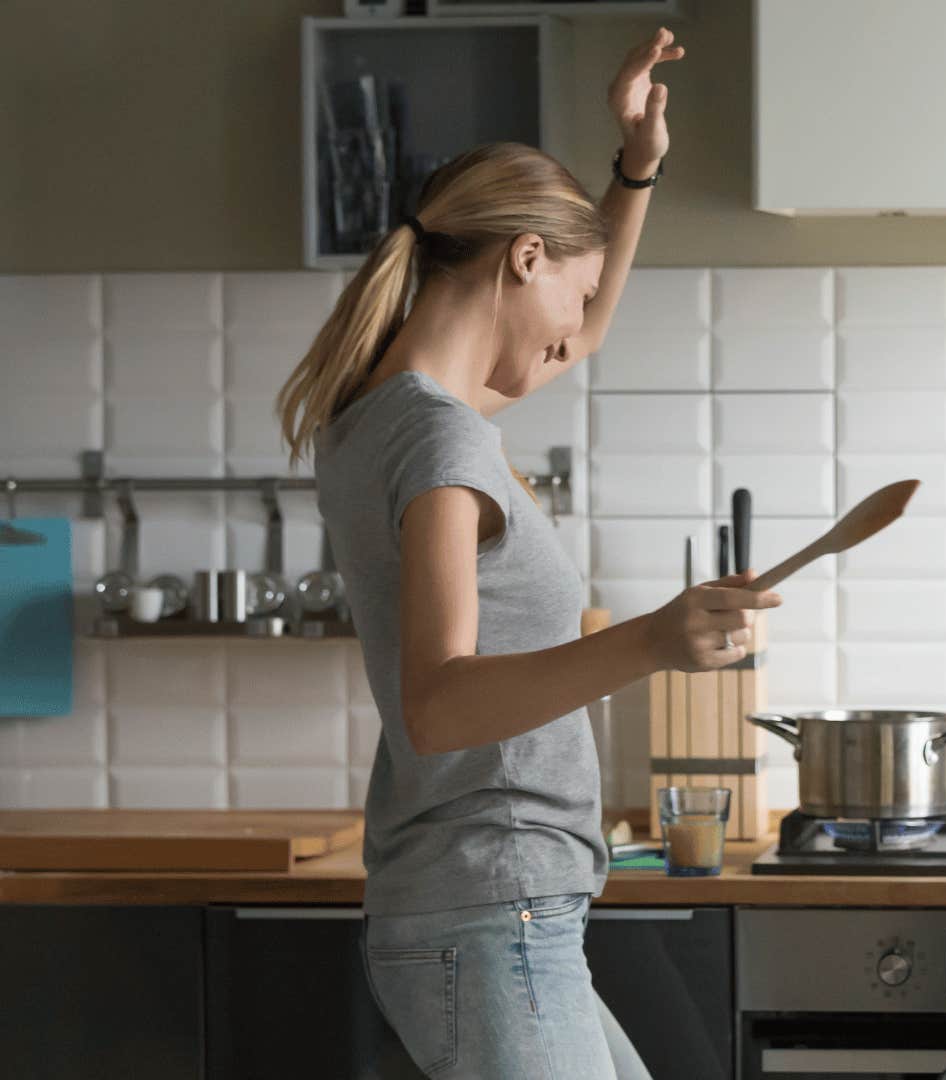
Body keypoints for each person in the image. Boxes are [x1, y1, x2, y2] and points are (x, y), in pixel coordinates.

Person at [276, 30, 776, 1080]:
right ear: (525, 257)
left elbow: (575, 339)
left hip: (491, 902)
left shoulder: (371, 416)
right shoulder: (441, 439)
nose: (578, 329)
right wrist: (652, 639)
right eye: (573, 294)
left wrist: (636, 168)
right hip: (488, 901)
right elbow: (441, 703)